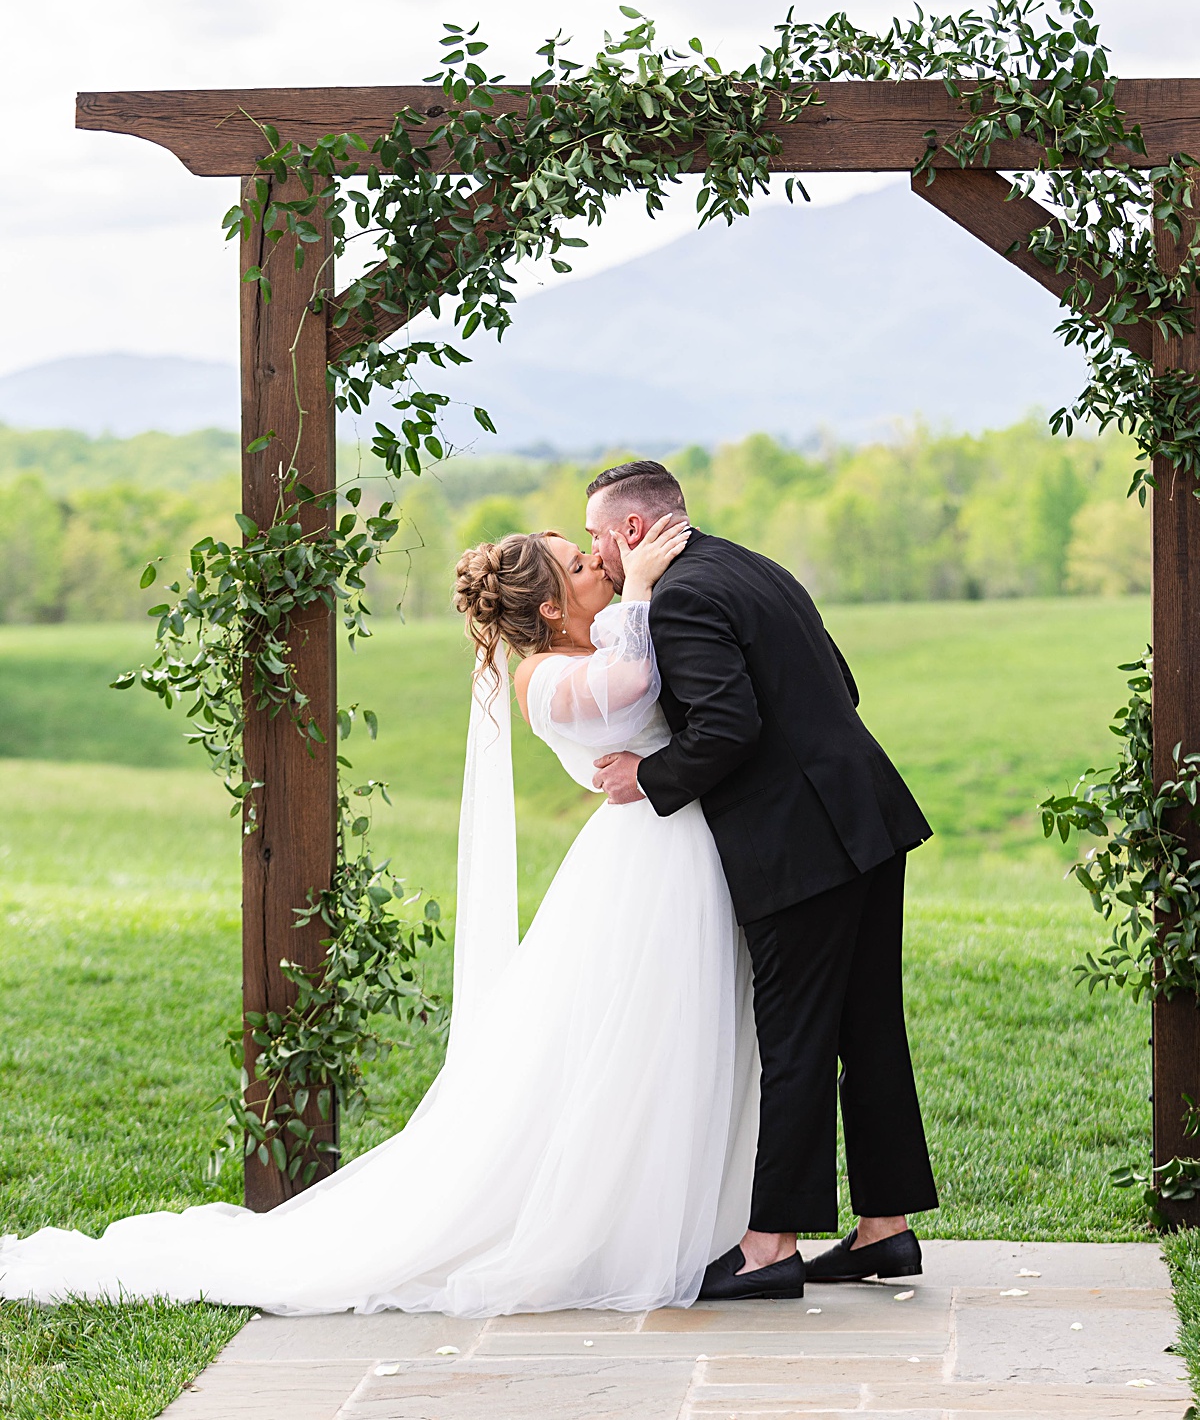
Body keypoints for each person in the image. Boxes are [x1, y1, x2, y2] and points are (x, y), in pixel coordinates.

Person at [0, 517, 763, 1315]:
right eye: (581, 564)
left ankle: (687, 1219)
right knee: (636, 1042)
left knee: (665, 1038)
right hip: (643, 868)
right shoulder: (543, 677)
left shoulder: (595, 638)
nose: (599, 567)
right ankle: (625, 1232)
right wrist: (641, 587)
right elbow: (633, 688)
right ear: (545, 607)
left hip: (670, 854)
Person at [585, 461, 938, 1300]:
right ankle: (884, 1230)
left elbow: (729, 727)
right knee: (869, 1028)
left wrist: (650, 774)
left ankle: (768, 1245)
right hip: (866, 817)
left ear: (633, 531)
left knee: (795, 1038)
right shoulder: (751, 566)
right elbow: (841, 685)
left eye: (598, 536)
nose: (597, 554)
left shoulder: (679, 599)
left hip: (801, 846)